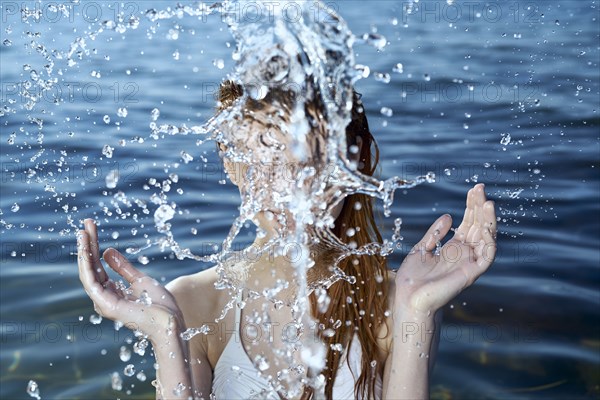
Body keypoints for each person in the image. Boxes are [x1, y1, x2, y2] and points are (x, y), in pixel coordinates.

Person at [77, 81, 497, 400]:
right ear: (232, 164)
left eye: (307, 167)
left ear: (351, 163)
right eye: (264, 167)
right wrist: (165, 333)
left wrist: (417, 312)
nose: (287, 194)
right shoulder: (195, 303)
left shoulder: (394, 300)